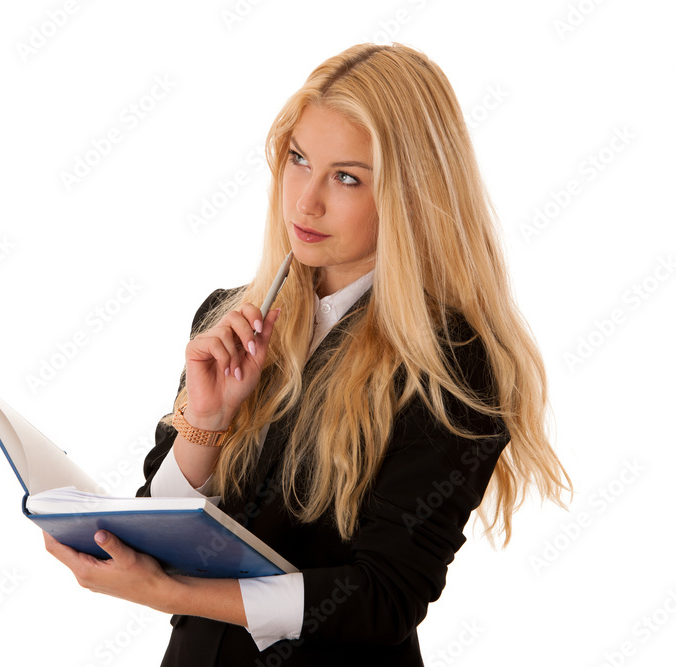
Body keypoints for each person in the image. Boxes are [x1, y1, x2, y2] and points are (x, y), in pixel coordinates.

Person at [43, 42, 572, 666]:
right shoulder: (229, 317)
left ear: (410, 193)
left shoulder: (452, 363)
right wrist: (207, 422)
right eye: (298, 159)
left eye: (346, 177)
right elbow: (162, 528)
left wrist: (175, 593)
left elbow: (385, 598)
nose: (305, 201)